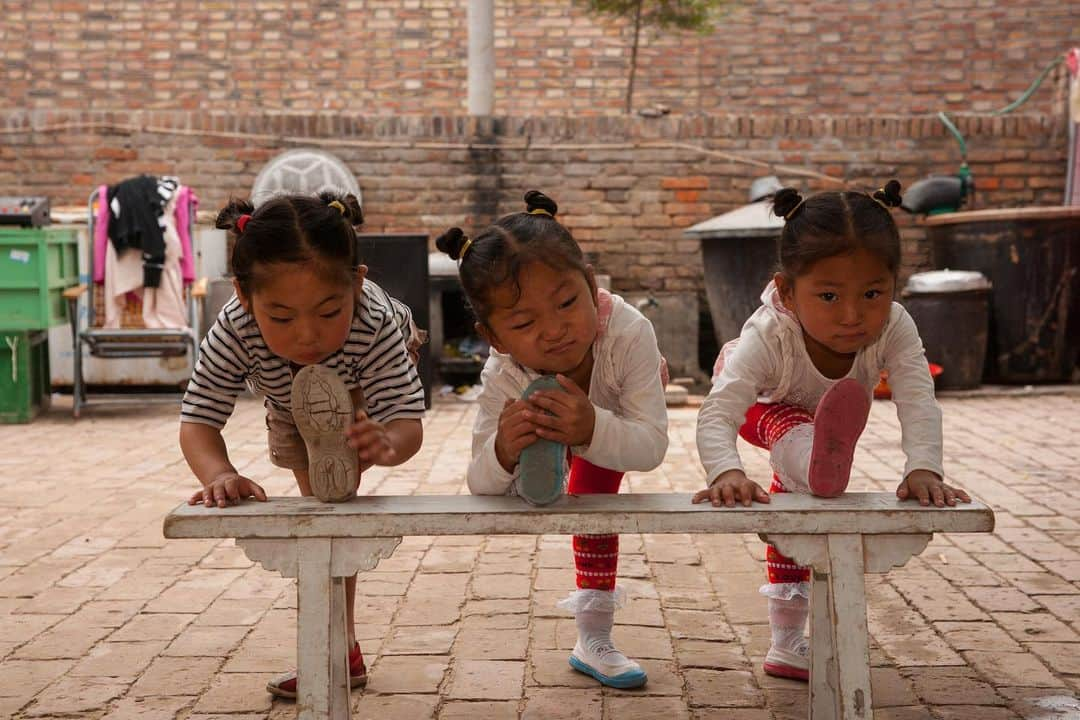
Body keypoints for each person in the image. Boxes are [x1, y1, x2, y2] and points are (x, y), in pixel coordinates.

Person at [693, 180, 970, 681]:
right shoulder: (768, 332)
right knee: (793, 431)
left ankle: (785, 641)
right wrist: (725, 470)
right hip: (764, 404)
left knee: (795, 495)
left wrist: (924, 467)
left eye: (872, 293)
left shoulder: (894, 325)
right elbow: (718, 411)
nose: (852, 315)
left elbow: (916, 397)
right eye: (827, 294)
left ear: (894, 284)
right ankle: (816, 459)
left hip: (827, 425)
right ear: (786, 292)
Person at [178, 192, 426, 698]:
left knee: (333, 503)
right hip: (287, 399)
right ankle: (341, 646)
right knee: (325, 504)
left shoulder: (371, 320)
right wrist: (218, 474)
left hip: (367, 377)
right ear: (244, 297)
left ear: (356, 283)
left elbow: (407, 423)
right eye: (283, 318)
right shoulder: (236, 326)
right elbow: (198, 420)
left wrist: (386, 441)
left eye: (327, 311)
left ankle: (335, 646)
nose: (308, 335)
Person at [437, 190, 668, 689]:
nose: (556, 329)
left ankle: (593, 638)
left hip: (616, 409)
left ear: (591, 285)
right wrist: (501, 450)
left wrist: (591, 429)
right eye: (524, 323)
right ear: (494, 337)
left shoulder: (628, 333)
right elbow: (479, 483)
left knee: (594, 487)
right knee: (532, 461)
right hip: (551, 419)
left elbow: (650, 445)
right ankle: (546, 454)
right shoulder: (504, 372)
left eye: (567, 303)